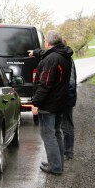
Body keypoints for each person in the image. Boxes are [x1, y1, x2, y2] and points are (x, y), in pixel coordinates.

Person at [28, 30, 73, 175]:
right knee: (56, 133)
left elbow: (44, 84)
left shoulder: (51, 59)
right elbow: (48, 54)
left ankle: (55, 167)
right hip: (60, 102)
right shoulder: (64, 55)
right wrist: (35, 52)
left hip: (49, 104)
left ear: (48, 43)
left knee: (48, 135)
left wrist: (35, 103)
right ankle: (57, 164)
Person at [61, 58, 77, 160]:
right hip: (67, 97)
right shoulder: (67, 59)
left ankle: (68, 152)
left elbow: (71, 83)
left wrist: (66, 99)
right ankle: (66, 151)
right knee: (65, 125)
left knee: (67, 125)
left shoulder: (67, 60)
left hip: (66, 98)